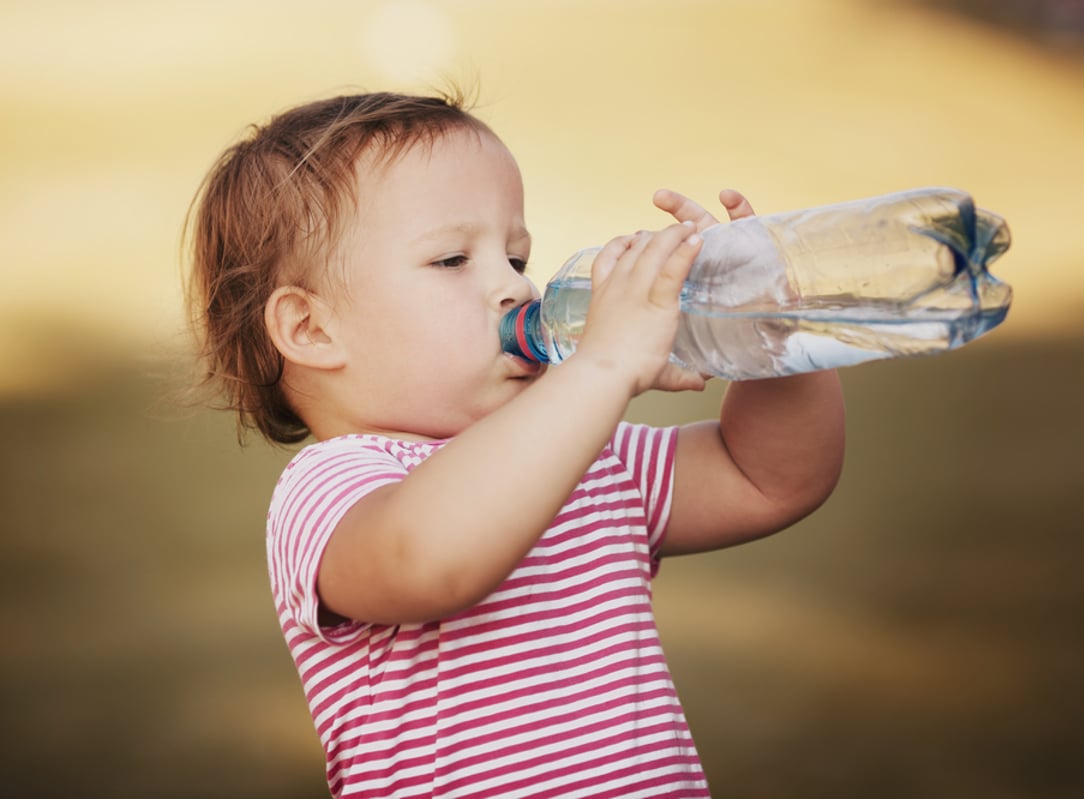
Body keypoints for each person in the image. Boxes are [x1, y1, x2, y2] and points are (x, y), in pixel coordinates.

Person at [186, 89, 845, 799]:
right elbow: (431, 560)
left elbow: (770, 477)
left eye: (518, 257)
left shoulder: (591, 454)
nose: (512, 286)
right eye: (450, 260)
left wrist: (771, 338)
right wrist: (601, 367)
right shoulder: (332, 487)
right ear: (311, 329)